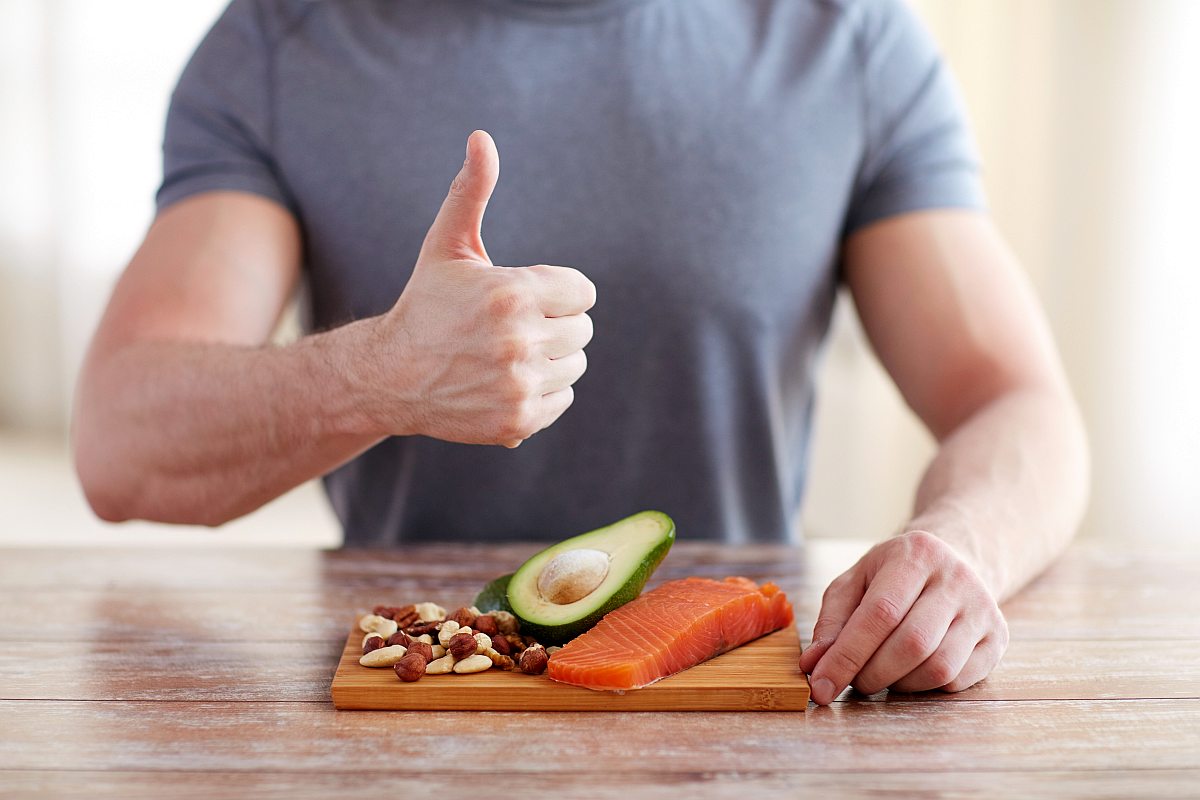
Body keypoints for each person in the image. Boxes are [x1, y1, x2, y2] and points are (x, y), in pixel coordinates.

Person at [72, 0, 1088, 705]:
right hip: (423, 699)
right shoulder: (277, 45)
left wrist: (964, 548)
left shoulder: (850, 39)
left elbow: (1012, 399)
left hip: (741, 694)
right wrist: (380, 370)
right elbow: (121, 441)